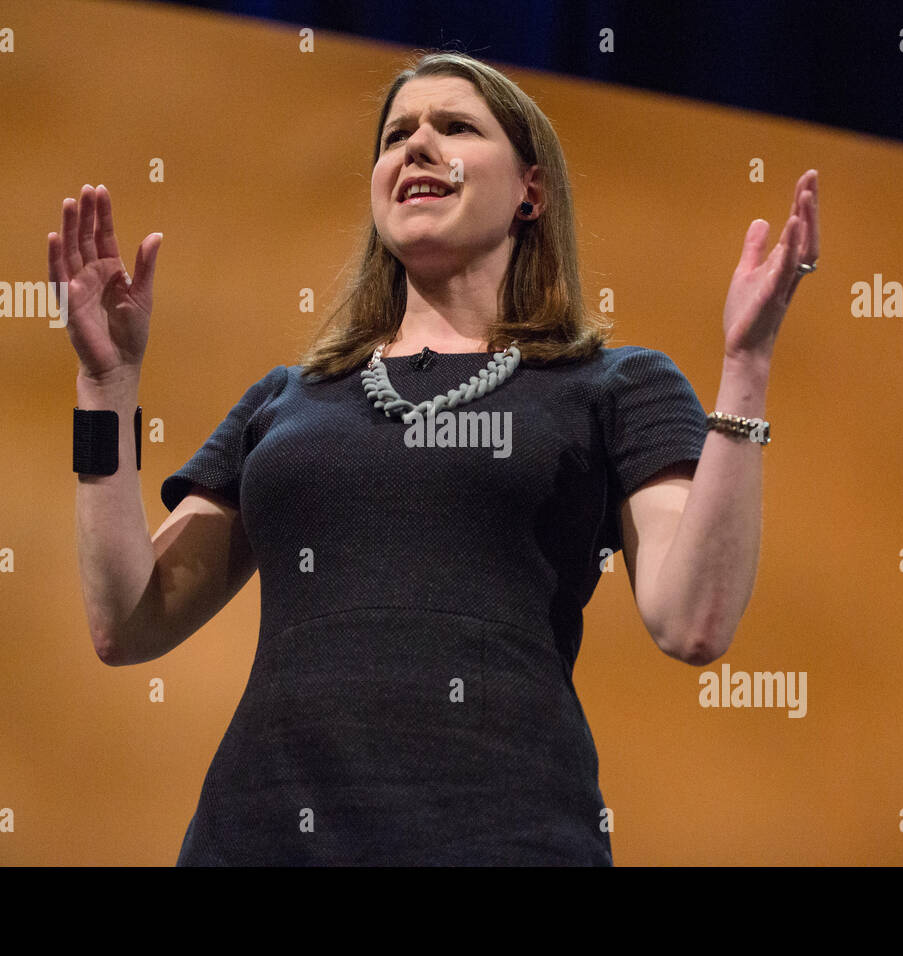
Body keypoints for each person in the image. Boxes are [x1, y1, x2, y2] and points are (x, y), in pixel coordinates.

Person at [50, 50, 820, 866]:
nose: (415, 147)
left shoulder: (612, 385)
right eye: (395, 136)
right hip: (260, 839)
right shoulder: (288, 398)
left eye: (454, 127)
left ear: (532, 190)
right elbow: (129, 622)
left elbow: (692, 621)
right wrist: (106, 385)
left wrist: (747, 366)